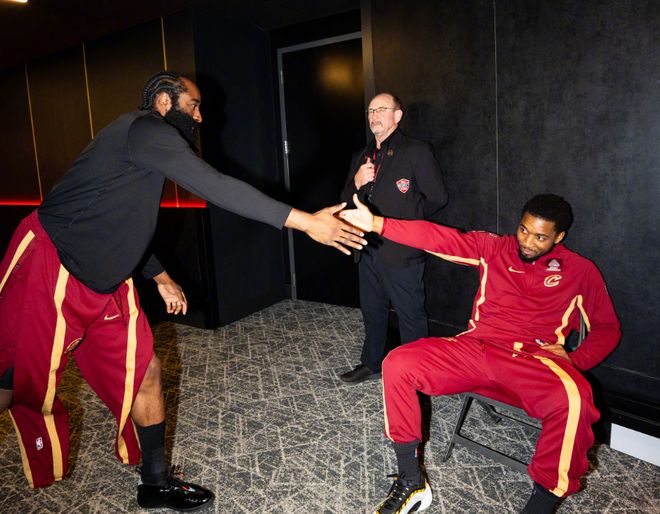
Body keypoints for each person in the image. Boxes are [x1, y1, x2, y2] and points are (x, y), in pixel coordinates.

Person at [0, 71, 366, 511]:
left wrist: (159, 275)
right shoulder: (143, 129)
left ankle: (155, 483)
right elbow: (215, 184)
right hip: (51, 264)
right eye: (193, 105)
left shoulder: (149, 150)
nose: (200, 116)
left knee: (146, 371)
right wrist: (306, 222)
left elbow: (123, 220)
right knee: (12, 380)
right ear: (162, 102)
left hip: (107, 281)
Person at [340, 193, 621, 514]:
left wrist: (574, 360)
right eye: (524, 230)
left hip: (533, 360)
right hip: (478, 349)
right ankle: (411, 480)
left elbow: (607, 328)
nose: (527, 242)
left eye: (540, 237)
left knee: (575, 400)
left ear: (559, 237)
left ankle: (540, 507)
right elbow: (440, 237)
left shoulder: (580, 270)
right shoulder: (496, 248)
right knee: (398, 363)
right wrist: (378, 224)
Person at [338, 93, 447, 384]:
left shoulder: (417, 151)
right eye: (370, 110)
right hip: (367, 248)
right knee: (372, 310)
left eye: (381, 109)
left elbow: (438, 197)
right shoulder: (360, 156)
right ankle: (371, 363)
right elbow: (345, 201)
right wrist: (356, 182)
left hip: (402, 250)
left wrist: (407, 223)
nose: (374, 115)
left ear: (397, 116)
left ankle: (417, 372)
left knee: (410, 315)